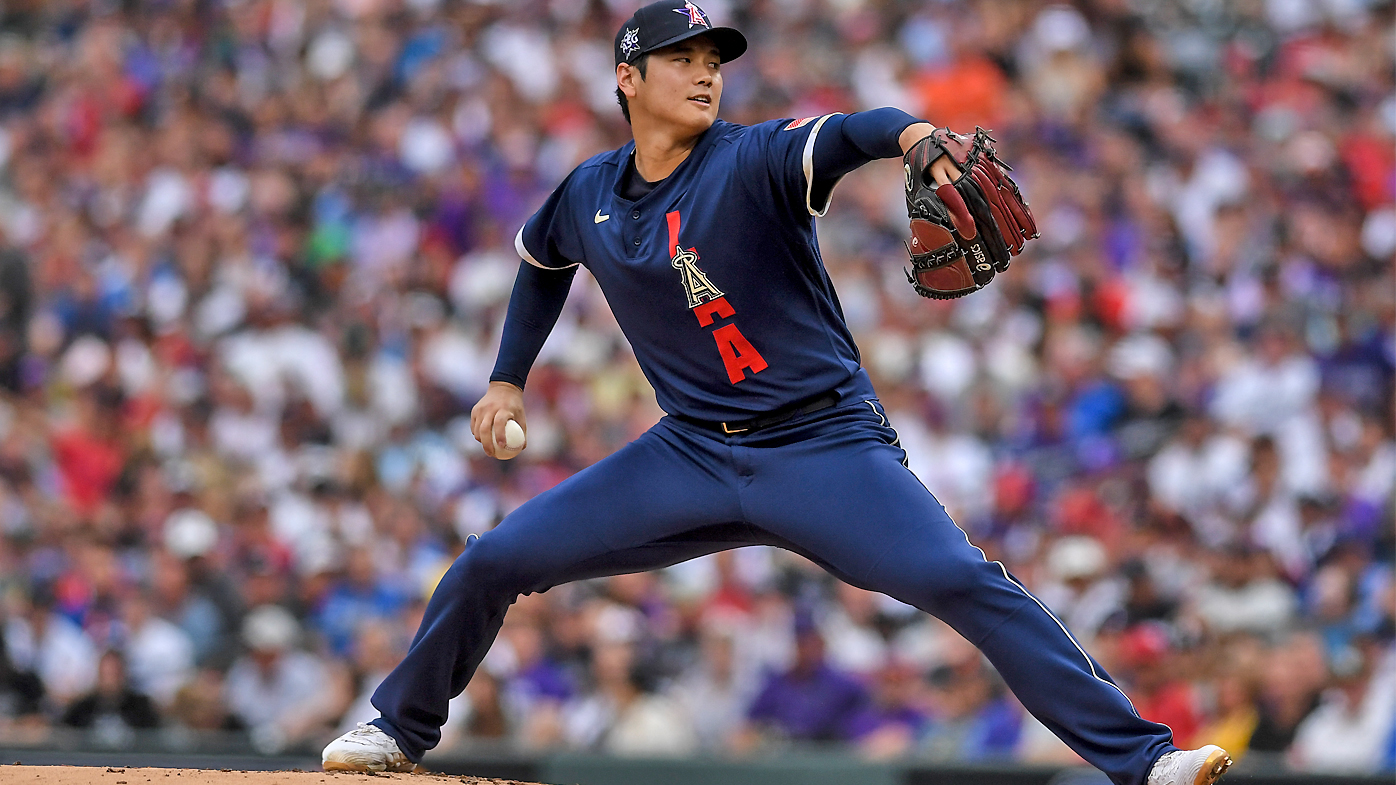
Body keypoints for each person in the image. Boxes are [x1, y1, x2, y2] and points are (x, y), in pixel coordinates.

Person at [323, 4, 1231, 784]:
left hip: (821, 447)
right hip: (689, 451)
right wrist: (506, 378)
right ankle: (398, 728)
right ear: (627, 77)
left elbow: (850, 131)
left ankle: (1143, 760)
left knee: (962, 579)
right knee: (493, 558)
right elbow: (539, 262)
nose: (704, 74)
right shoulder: (589, 192)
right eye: (682, 59)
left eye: (713, 61)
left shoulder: (755, 161)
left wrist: (916, 136)